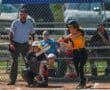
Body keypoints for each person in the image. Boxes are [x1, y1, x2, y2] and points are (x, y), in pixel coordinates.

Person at [57, 20, 88, 89]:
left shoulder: (81, 32)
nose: (70, 28)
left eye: (71, 27)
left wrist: (63, 38)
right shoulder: (70, 36)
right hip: (75, 52)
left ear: (75, 27)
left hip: (82, 52)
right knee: (77, 68)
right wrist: (62, 42)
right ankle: (82, 81)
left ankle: (82, 82)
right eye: (69, 27)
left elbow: (73, 36)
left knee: (80, 67)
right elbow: (70, 47)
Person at [8, 8, 35, 85]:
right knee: (14, 62)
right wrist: (11, 43)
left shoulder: (29, 23)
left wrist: (33, 44)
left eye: (23, 14)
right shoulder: (15, 22)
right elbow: (11, 33)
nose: (22, 15)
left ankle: (30, 80)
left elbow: (32, 33)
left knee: (28, 61)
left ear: (26, 15)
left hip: (25, 45)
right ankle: (12, 80)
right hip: (15, 44)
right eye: (21, 14)